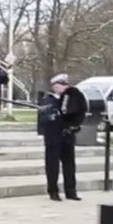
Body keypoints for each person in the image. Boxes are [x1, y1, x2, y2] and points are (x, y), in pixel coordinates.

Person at [38, 73, 80, 202]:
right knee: (52, 165)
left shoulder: (70, 99)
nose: (65, 87)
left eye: (66, 84)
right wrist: (53, 116)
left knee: (70, 165)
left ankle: (71, 192)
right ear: (54, 86)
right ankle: (53, 191)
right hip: (53, 136)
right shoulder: (48, 100)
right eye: (62, 84)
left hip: (67, 136)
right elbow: (42, 119)